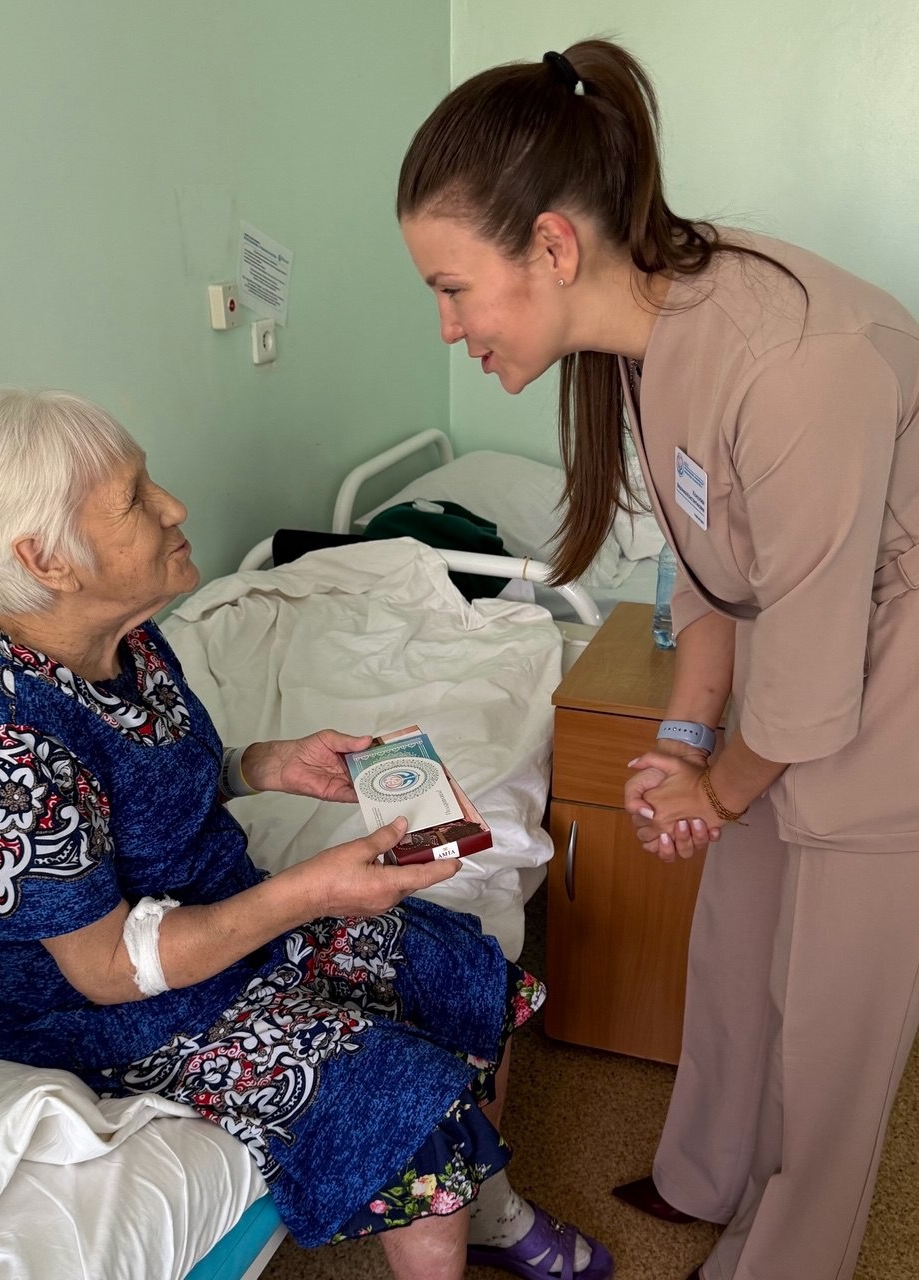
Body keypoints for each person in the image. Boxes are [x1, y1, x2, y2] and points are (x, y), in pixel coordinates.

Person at [396, 36, 919, 1280]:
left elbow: (812, 658)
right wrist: (686, 739)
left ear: (552, 247)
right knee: (737, 941)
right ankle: (705, 1174)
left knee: (831, 1017)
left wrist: (717, 784)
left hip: (890, 677)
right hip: (804, 640)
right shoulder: (656, 340)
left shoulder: (793, 362)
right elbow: (713, 560)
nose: (447, 326)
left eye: (453, 288)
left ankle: (779, 1256)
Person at [0, 386, 613, 1280]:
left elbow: (143, 780)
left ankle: (490, 1215)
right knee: (403, 1108)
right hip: (107, 1014)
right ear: (47, 560)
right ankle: (455, 1194)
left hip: (218, 918)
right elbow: (107, 968)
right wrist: (310, 893)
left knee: (463, 970)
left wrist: (264, 764)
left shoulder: (122, 639)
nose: (174, 506)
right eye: (136, 500)